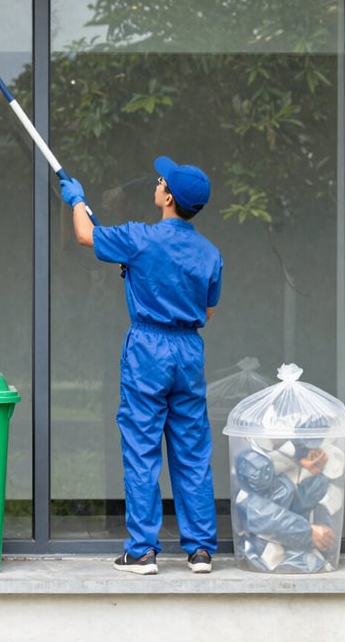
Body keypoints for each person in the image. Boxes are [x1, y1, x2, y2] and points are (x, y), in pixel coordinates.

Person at [60, 156, 223, 575]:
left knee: (141, 447)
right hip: (189, 349)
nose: (156, 183)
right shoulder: (209, 253)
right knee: (191, 449)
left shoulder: (140, 239)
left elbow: (85, 235)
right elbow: (206, 313)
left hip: (149, 349)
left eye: (160, 181)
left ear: (167, 197)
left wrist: (76, 199)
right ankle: (201, 550)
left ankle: (142, 551)